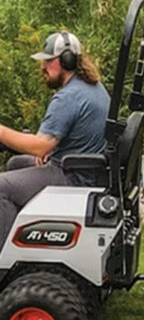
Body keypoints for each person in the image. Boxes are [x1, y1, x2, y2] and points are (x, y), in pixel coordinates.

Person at [0, 31, 110, 246]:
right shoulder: (93, 87)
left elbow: (40, 146)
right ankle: (20, 234)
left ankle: (4, 256)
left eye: (48, 61)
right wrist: (50, 150)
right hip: (86, 170)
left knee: (1, 187)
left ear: (66, 61)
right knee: (16, 163)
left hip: (72, 176)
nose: (43, 67)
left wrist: (2, 132)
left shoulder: (68, 97)